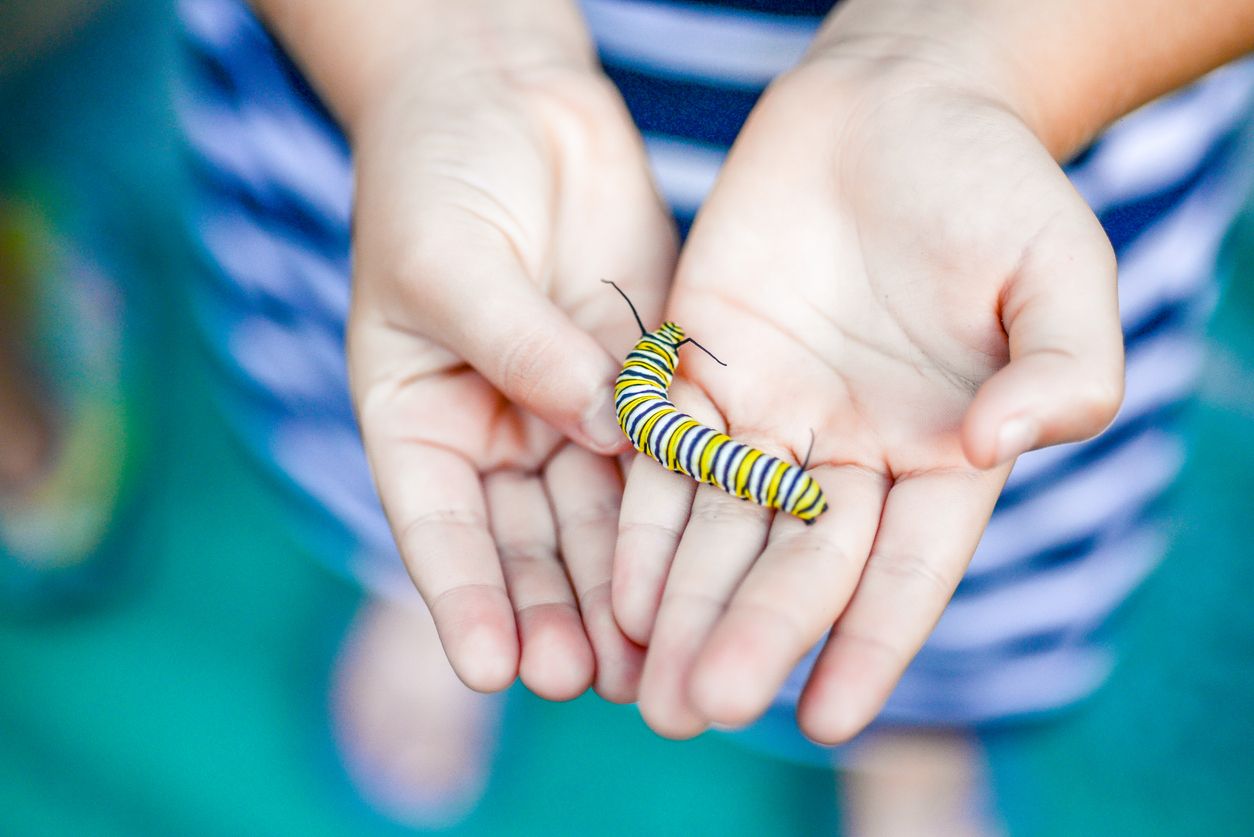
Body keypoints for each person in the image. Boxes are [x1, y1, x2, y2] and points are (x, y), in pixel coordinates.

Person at [177, 0, 1254, 830]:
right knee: (448, 431)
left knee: (946, 526)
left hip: (1000, 154)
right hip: (402, 113)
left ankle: (921, 724)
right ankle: (416, 584)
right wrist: (429, 55)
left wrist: (985, 59)